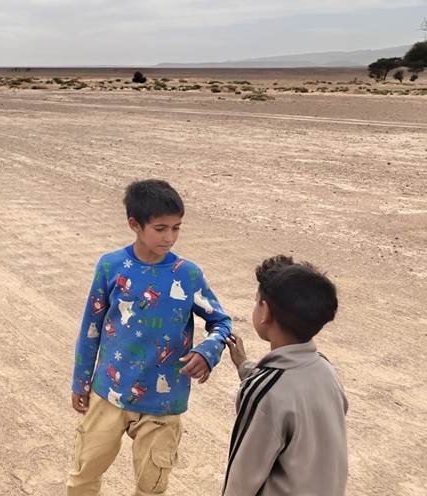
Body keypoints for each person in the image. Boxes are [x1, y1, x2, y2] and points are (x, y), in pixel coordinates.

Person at [66, 179, 232, 496]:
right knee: (83, 475)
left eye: (176, 228)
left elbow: (221, 321)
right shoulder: (111, 266)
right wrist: (81, 382)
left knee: (151, 487)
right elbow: (91, 329)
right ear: (135, 225)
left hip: (162, 404)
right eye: (160, 228)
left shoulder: (188, 274)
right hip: (110, 393)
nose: (169, 237)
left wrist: (208, 351)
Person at [223, 256, 347, 496]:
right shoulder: (325, 371)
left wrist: (254, 380)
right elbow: (290, 393)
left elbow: (242, 478)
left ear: (265, 312)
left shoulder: (264, 392)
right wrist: (244, 365)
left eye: (257, 301)